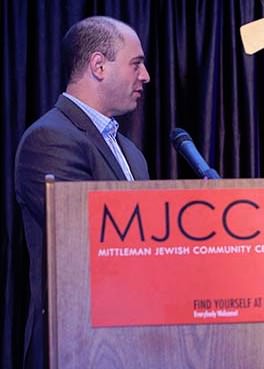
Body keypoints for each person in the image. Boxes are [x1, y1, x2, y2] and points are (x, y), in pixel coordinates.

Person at [14, 16, 150, 369]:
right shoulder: (50, 138)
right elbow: (93, 240)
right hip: (77, 348)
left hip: (135, 345)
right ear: (98, 66)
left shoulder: (130, 152)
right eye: (136, 64)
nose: (146, 76)